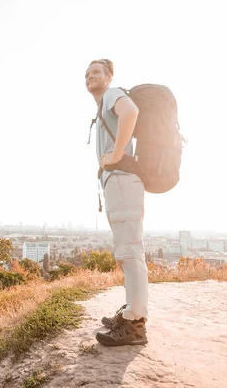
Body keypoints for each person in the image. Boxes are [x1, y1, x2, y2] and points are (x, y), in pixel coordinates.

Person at [85, 59, 149, 346]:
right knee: (126, 251)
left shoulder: (112, 94)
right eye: (86, 74)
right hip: (118, 182)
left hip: (122, 178)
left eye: (96, 72)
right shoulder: (102, 107)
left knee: (130, 252)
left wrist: (115, 154)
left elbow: (131, 112)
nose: (90, 76)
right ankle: (130, 312)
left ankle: (135, 324)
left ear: (109, 77)